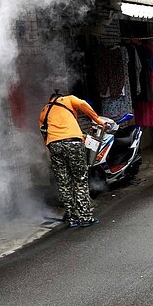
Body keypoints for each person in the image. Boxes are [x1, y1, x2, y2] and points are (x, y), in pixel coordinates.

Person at [39, 91, 106, 228]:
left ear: (50, 99)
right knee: (79, 179)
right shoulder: (68, 99)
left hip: (54, 145)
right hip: (73, 143)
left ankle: (73, 217)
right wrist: (98, 120)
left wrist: (51, 151)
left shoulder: (44, 111)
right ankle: (85, 217)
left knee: (64, 183)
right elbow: (82, 104)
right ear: (60, 97)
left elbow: (44, 135)